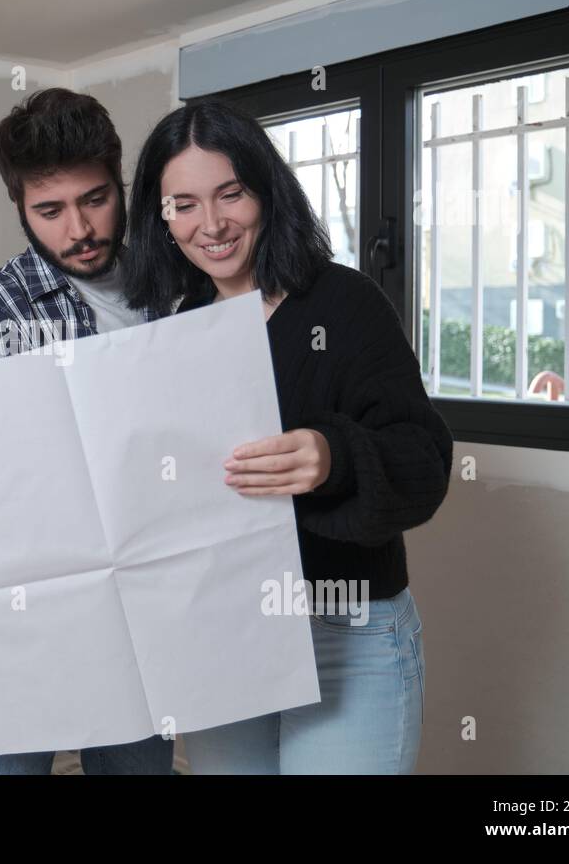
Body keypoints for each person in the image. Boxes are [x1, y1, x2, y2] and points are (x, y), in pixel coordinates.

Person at [121, 98, 453, 774]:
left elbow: (424, 462)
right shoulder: (183, 322)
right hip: (226, 628)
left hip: (345, 631)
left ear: (266, 192)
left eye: (230, 194)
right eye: (182, 204)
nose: (209, 224)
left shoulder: (347, 304)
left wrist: (334, 456)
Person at [0, 87, 174, 775]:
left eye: (96, 200)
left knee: (138, 766)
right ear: (19, 206)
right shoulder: (0, 305)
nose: (77, 228)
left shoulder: (177, 288)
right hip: (34, 601)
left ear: (121, 187)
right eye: (49, 211)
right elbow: (14, 470)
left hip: (145, 593)